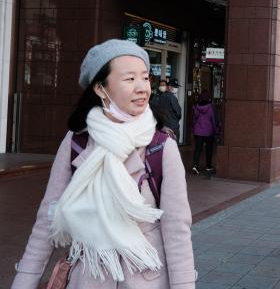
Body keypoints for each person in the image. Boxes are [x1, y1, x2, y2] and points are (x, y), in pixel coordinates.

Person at [11, 39, 196, 288]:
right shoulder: (78, 140)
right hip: (88, 278)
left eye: (145, 78)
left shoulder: (161, 146)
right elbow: (48, 218)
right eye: (130, 79)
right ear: (100, 88)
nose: (142, 87)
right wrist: (25, 280)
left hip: (145, 280)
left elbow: (177, 231)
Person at [191, 89, 218, 174]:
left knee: (198, 149)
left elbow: (194, 119)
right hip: (208, 131)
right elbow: (213, 119)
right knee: (209, 149)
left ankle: (195, 165)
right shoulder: (210, 107)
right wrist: (215, 129)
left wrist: (193, 129)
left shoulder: (196, 106)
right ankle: (208, 166)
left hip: (198, 131)